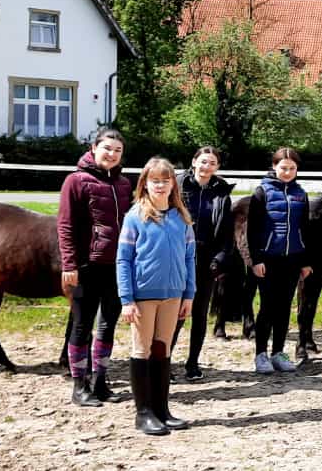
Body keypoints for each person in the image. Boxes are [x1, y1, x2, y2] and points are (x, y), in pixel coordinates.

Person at [116, 157, 196, 435]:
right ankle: (144, 412)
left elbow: (190, 259)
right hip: (143, 296)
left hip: (173, 296)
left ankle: (162, 408)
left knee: (163, 350)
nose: (160, 185)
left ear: (173, 183)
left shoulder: (182, 218)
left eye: (166, 180)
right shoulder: (135, 217)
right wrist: (126, 299)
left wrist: (189, 294)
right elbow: (123, 260)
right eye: (155, 180)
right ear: (145, 184)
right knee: (142, 350)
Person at [58, 127, 133, 407]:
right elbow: (65, 226)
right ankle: (79, 385)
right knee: (81, 325)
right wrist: (70, 263)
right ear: (94, 148)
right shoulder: (75, 181)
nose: (112, 154)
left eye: (117, 150)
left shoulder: (124, 184)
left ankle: (100, 380)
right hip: (87, 265)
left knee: (108, 325)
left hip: (117, 266)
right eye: (107, 149)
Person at [246, 147, 313, 374]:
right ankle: (261, 354)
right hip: (268, 260)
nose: (287, 172)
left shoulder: (301, 194)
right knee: (267, 307)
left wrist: (305, 261)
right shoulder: (261, 192)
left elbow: (305, 229)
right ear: (274, 167)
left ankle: (278, 352)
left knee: (284, 308)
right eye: (283, 168)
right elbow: (252, 230)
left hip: (292, 260)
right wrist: (256, 259)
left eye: (292, 168)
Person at [170, 146, 234, 380]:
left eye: (212, 163)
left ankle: (193, 362)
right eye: (203, 161)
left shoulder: (221, 193)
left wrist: (220, 259)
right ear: (194, 161)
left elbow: (227, 231)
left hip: (207, 260)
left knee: (199, 313)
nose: (207, 167)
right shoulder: (177, 185)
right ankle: (165, 361)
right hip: (178, 258)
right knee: (174, 314)